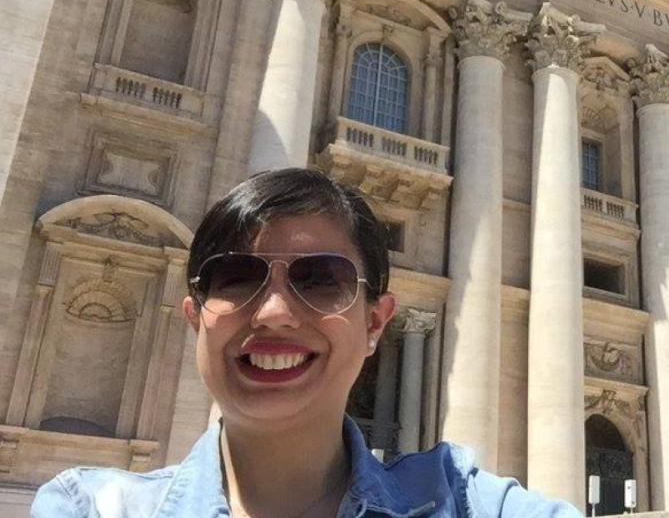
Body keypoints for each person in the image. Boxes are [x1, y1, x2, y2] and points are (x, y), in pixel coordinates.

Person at [31, 169, 581, 518]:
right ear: (196, 317)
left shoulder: (464, 502)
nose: (273, 314)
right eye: (236, 277)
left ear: (375, 323)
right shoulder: (91, 508)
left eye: (321, 278)